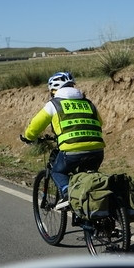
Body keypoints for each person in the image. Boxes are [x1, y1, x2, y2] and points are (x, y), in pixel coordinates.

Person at [21, 72, 105, 209]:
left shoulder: (53, 104)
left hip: (71, 150)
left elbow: (35, 126)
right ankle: (92, 222)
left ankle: (67, 194)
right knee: (88, 182)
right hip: (97, 149)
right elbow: (99, 123)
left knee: (57, 172)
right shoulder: (89, 103)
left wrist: (29, 137)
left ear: (53, 90)